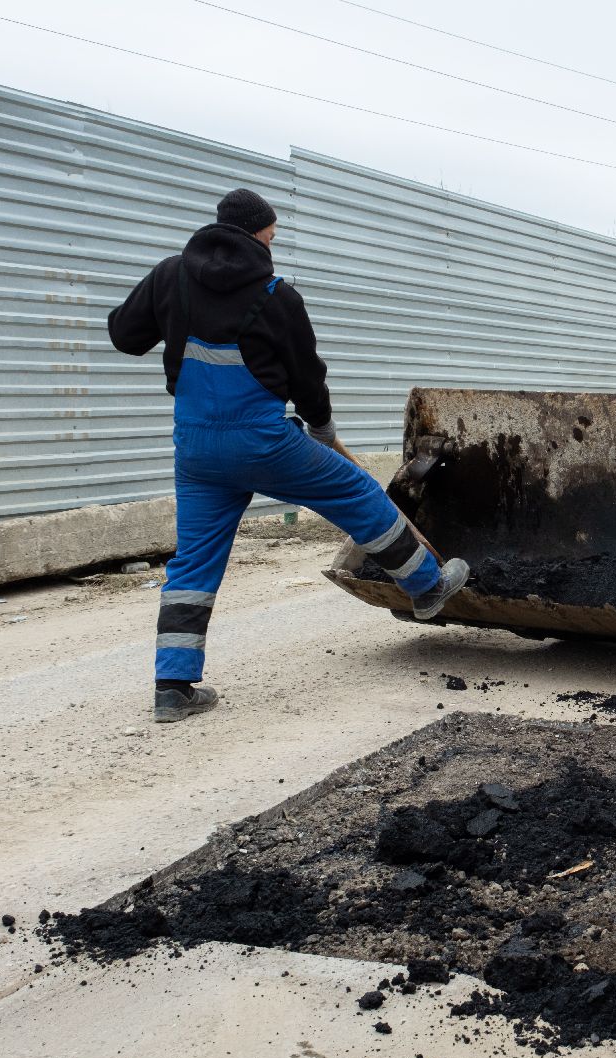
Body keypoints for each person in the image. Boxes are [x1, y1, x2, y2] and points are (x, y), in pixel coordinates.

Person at [108, 188, 469, 724]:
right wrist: (322, 429)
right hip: (261, 441)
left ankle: (173, 687)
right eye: (272, 237)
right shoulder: (276, 295)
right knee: (356, 491)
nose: (273, 246)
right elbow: (308, 377)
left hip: (196, 449)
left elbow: (123, 335)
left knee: (194, 561)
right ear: (257, 235)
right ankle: (426, 586)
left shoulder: (170, 275)